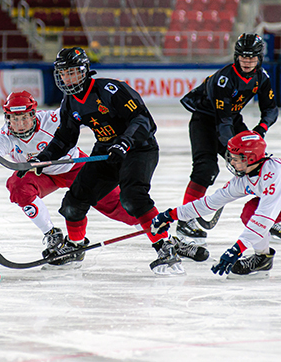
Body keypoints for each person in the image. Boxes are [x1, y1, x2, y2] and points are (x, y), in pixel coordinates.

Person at [27, 46, 208, 274]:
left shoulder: (110, 90)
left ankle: (165, 246)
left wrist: (124, 142)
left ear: (84, 71)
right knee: (74, 202)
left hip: (139, 149)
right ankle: (74, 247)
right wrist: (42, 159)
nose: (68, 78)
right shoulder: (70, 102)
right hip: (106, 151)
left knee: (133, 197)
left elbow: (144, 121)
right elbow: (65, 138)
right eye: (64, 73)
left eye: (73, 72)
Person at [0, 91, 144, 259]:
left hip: (73, 167)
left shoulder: (53, 120)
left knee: (118, 206)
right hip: (41, 175)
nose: (20, 125)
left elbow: (88, 118)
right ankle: (51, 233)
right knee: (17, 186)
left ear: (34, 115)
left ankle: (157, 234)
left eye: (24, 117)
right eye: (14, 119)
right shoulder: (6, 137)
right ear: (7, 118)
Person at [178, 33, 278, 244]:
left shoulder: (262, 77)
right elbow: (222, 123)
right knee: (206, 169)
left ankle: (274, 217)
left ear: (259, 58)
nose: (248, 62)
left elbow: (270, 109)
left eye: (252, 57)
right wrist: (234, 153)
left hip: (231, 118)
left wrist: (260, 129)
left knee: (258, 164)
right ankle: (185, 220)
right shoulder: (224, 79)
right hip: (205, 120)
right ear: (236, 57)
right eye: (243, 57)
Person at [151, 130, 279, 278]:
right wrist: (171, 215)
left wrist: (237, 249)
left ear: (250, 158)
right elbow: (210, 203)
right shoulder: (244, 178)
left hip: (275, 207)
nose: (231, 162)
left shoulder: (273, 175)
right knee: (250, 211)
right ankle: (262, 259)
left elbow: (264, 217)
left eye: (236, 158)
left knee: (256, 213)